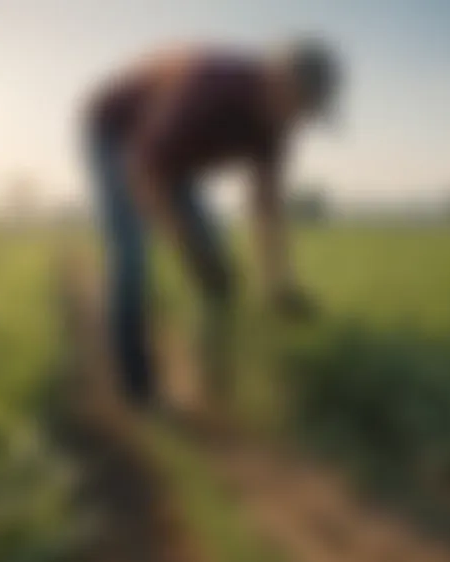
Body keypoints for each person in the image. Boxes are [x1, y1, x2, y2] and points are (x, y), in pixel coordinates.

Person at [84, 38, 341, 409]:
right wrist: (188, 246)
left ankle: (211, 379)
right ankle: (136, 389)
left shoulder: (275, 129)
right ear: (277, 83)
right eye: (302, 106)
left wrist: (279, 283)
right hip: (116, 133)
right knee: (131, 256)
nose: (302, 120)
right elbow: (148, 174)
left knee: (220, 274)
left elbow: (266, 209)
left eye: (310, 112)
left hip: (170, 156)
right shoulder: (212, 89)